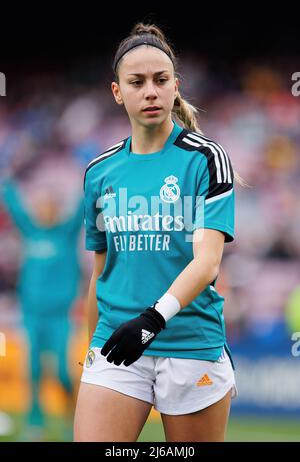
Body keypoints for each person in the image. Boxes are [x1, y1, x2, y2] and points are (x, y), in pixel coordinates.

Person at [74, 22, 238, 442]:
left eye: (160, 80)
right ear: (117, 92)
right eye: (137, 82)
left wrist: (151, 320)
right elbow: (101, 271)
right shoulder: (99, 172)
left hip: (189, 344)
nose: (150, 91)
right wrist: (91, 347)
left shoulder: (206, 159)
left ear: (175, 86)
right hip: (115, 344)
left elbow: (207, 262)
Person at [0, 172, 84, 439]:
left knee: (61, 371)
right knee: (33, 371)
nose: (43, 210)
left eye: (49, 206)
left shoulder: (66, 234)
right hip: (32, 316)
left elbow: (83, 204)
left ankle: (75, 420)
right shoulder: (30, 232)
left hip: (60, 318)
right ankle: (35, 423)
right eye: (40, 206)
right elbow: (13, 204)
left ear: (56, 210)